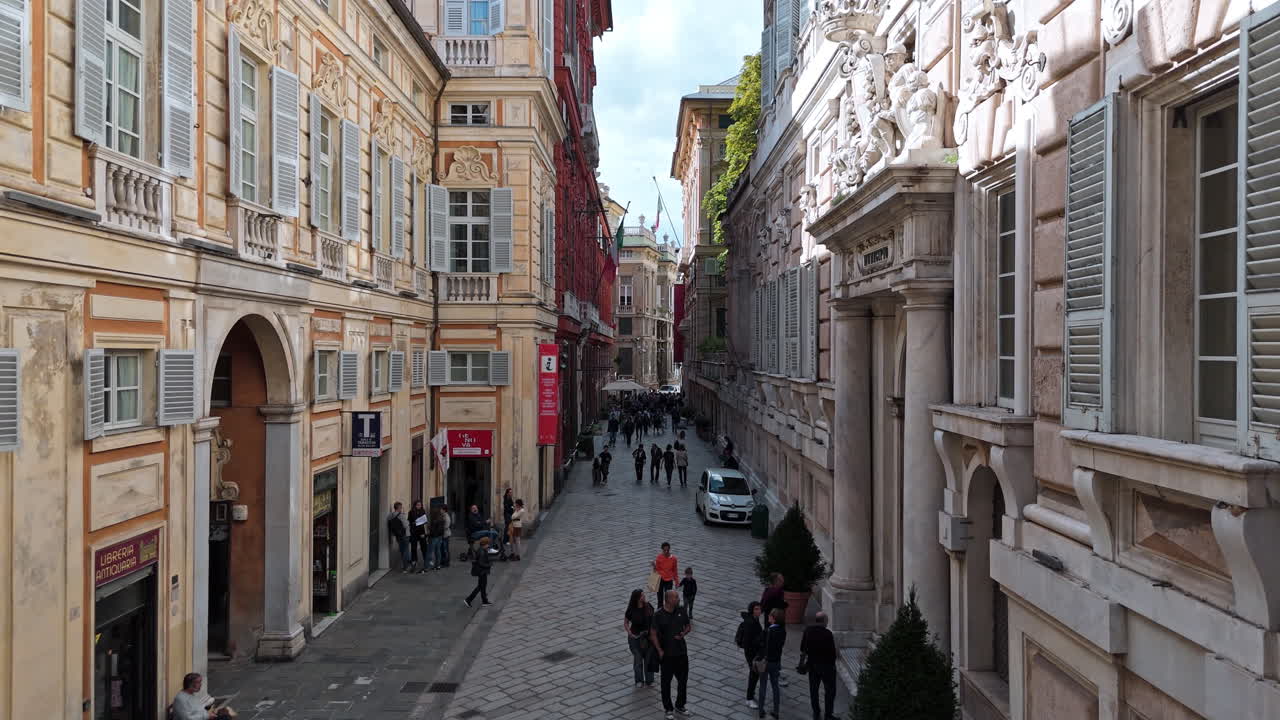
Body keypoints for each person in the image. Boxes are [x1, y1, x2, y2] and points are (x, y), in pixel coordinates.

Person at [650, 589, 693, 719]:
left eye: (678, 597)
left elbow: (688, 626)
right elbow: (653, 633)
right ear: (668, 599)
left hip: (681, 653)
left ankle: (680, 705)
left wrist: (683, 633)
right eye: (675, 597)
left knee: (683, 681)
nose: (678, 599)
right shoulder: (658, 615)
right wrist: (659, 650)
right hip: (667, 655)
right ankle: (668, 708)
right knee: (666, 683)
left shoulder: (681, 611)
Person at [801, 612, 839, 720]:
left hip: (812, 665)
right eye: (827, 621)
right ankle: (828, 715)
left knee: (814, 690)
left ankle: (816, 713)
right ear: (824, 621)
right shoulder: (827, 634)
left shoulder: (808, 630)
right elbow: (832, 653)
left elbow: (802, 647)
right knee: (830, 691)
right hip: (827, 667)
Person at [757, 608, 787, 718]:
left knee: (763, 686)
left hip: (766, 662)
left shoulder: (767, 631)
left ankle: (761, 710)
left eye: (770, 616)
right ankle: (776, 711)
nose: (768, 617)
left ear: (774, 619)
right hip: (776, 662)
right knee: (775, 687)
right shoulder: (783, 631)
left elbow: (760, 644)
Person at [760, 572, 789, 685]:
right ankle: (775, 673)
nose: (783, 581)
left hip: (770, 622)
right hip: (776, 624)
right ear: (776, 582)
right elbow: (779, 605)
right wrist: (784, 604)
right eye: (781, 580)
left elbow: (763, 604)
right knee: (776, 649)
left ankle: (775, 671)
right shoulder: (777, 592)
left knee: (772, 647)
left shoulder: (768, 590)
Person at [624, 588, 656, 688]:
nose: (644, 596)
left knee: (648, 660)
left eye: (643, 594)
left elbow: (654, 621)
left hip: (648, 637)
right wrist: (630, 633)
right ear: (637, 598)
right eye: (642, 595)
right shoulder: (631, 609)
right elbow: (626, 623)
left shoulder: (649, 606)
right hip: (636, 638)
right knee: (638, 661)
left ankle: (649, 680)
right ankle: (639, 680)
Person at [738, 601, 766, 710]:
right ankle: (749, 698)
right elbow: (748, 641)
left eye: (759, 609)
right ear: (752, 610)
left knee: (755, 674)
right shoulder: (751, 623)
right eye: (756, 609)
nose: (759, 611)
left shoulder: (754, 619)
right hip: (752, 653)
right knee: (754, 674)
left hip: (753, 652)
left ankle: (751, 694)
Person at [463, 537, 493, 607]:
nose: (488, 545)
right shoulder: (482, 551)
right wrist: (489, 565)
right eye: (488, 544)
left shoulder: (481, 549)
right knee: (480, 587)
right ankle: (468, 599)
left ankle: (484, 601)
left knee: (483, 586)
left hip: (481, 571)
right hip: (482, 571)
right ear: (485, 544)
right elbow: (481, 563)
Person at [387, 502, 411, 573]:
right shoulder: (401, 515)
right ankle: (405, 567)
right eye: (401, 507)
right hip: (405, 534)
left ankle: (404, 566)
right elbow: (406, 525)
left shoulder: (390, 515)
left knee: (402, 550)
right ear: (399, 508)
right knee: (406, 551)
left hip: (398, 535)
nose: (401, 508)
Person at [653, 542, 678, 607]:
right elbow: (657, 569)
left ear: (669, 549)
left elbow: (675, 571)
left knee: (668, 598)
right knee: (659, 597)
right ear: (662, 550)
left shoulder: (674, 559)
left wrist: (677, 582)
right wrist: (654, 565)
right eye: (665, 550)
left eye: (668, 550)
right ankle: (659, 611)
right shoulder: (659, 557)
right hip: (660, 579)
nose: (666, 552)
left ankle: (668, 610)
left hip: (669, 580)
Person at [408, 500, 429, 572]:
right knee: (413, 547)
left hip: (421, 532)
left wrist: (425, 533)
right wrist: (415, 522)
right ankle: (414, 562)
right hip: (414, 532)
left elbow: (425, 521)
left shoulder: (423, 511)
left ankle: (426, 561)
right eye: (418, 505)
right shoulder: (411, 512)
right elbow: (410, 522)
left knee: (424, 547)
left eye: (420, 505)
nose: (419, 506)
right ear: (415, 505)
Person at [426, 504, 447, 570]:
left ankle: (428, 566)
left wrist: (428, 532)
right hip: (440, 536)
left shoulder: (434, 520)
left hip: (434, 537)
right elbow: (442, 529)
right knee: (438, 551)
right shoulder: (442, 519)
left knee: (430, 551)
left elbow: (432, 531)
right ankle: (437, 565)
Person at [439, 503, 453, 568]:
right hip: (443, 535)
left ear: (444, 510)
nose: (440, 510)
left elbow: (446, 526)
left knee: (445, 549)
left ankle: (446, 562)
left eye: (441, 509)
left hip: (445, 535)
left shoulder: (446, 517)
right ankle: (443, 561)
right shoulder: (442, 515)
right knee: (442, 548)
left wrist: (439, 528)